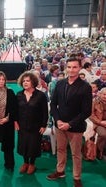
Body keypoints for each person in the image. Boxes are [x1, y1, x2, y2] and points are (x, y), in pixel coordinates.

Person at [47, 57, 92, 187]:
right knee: (60, 149)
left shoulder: (85, 87)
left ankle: (77, 178)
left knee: (76, 154)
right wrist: (58, 120)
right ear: (66, 68)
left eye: (75, 67)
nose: (71, 70)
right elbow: (53, 104)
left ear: (79, 68)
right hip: (60, 125)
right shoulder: (60, 83)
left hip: (76, 127)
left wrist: (70, 124)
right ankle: (60, 171)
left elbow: (86, 111)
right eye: (69, 67)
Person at [15, 71, 48, 174]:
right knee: (24, 144)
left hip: (36, 126)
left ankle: (32, 163)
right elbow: (15, 110)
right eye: (24, 81)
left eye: (28, 81)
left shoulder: (41, 95)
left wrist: (44, 125)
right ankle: (25, 163)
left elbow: (45, 111)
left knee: (33, 146)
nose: (25, 83)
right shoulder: (19, 95)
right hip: (22, 125)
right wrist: (15, 122)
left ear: (33, 82)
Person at [89, 87, 106, 160]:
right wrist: (101, 122)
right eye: (104, 94)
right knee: (103, 134)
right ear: (100, 94)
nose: (105, 96)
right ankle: (99, 150)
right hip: (98, 123)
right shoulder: (94, 101)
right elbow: (90, 115)